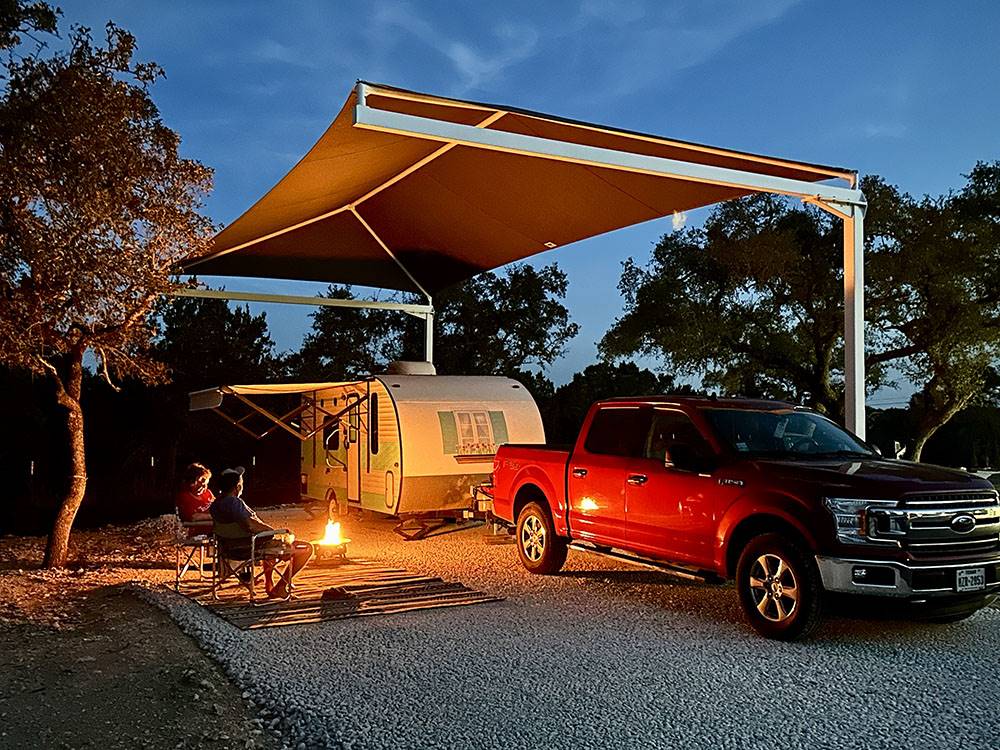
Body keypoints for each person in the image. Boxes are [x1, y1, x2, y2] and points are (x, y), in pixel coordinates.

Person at [210, 467, 313, 599]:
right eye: (241, 483)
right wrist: (273, 532)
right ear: (237, 487)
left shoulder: (216, 504)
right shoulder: (234, 502)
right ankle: (281, 586)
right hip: (249, 548)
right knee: (306, 548)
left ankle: (269, 585)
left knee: (269, 544)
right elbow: (250, 525)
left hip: (229, 548)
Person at [175, 463, 215, 536]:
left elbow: (218, 507)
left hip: (214, 530)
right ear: (190, 482)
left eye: (203, 480)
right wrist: (215, 516)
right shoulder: (184, 496)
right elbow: (193, 517)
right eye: (195, 482)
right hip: (197, 533)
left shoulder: (207, 493)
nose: (202, 485)